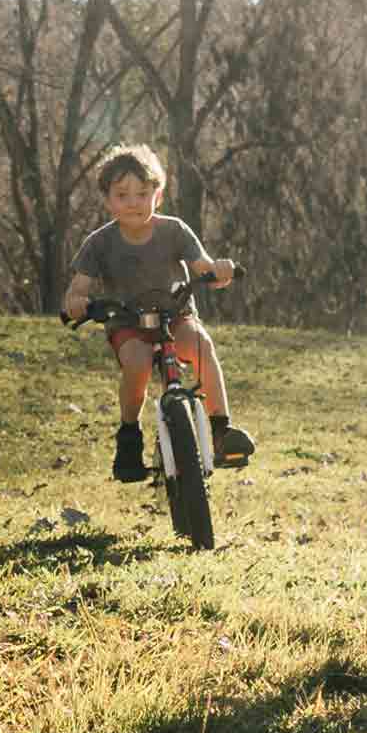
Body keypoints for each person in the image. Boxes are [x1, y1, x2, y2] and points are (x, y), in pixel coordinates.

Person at [58, 145, 252, 482]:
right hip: (127, 322)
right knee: (137, 363)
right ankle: (130, 437)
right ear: (108, 200)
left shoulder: (174, 230)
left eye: (142, 193)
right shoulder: (99, 243)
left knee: (200, 345)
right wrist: (76, 300)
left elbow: (203, 266)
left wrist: (217, 270)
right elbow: (78, 288)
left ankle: (221, 430)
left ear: (157, 197)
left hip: (175, 314)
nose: (133, 202)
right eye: (122, 195)